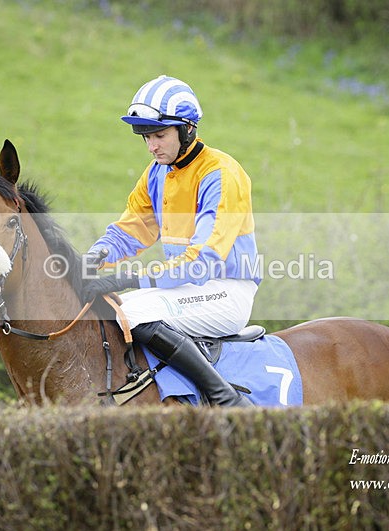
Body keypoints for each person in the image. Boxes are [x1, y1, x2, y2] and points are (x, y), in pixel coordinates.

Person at [81, 75, 260, 407]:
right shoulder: (156, 172)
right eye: (147, 138)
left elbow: (204, 261)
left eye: (160, 135)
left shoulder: (220, 173)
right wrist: (93, 258)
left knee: (133, 312)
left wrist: (130, 277)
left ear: (187, 129)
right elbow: (130, 230)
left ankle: (226, 399)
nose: (152, 146)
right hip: (187, 289)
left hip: (226, 290)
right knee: (114, 307)